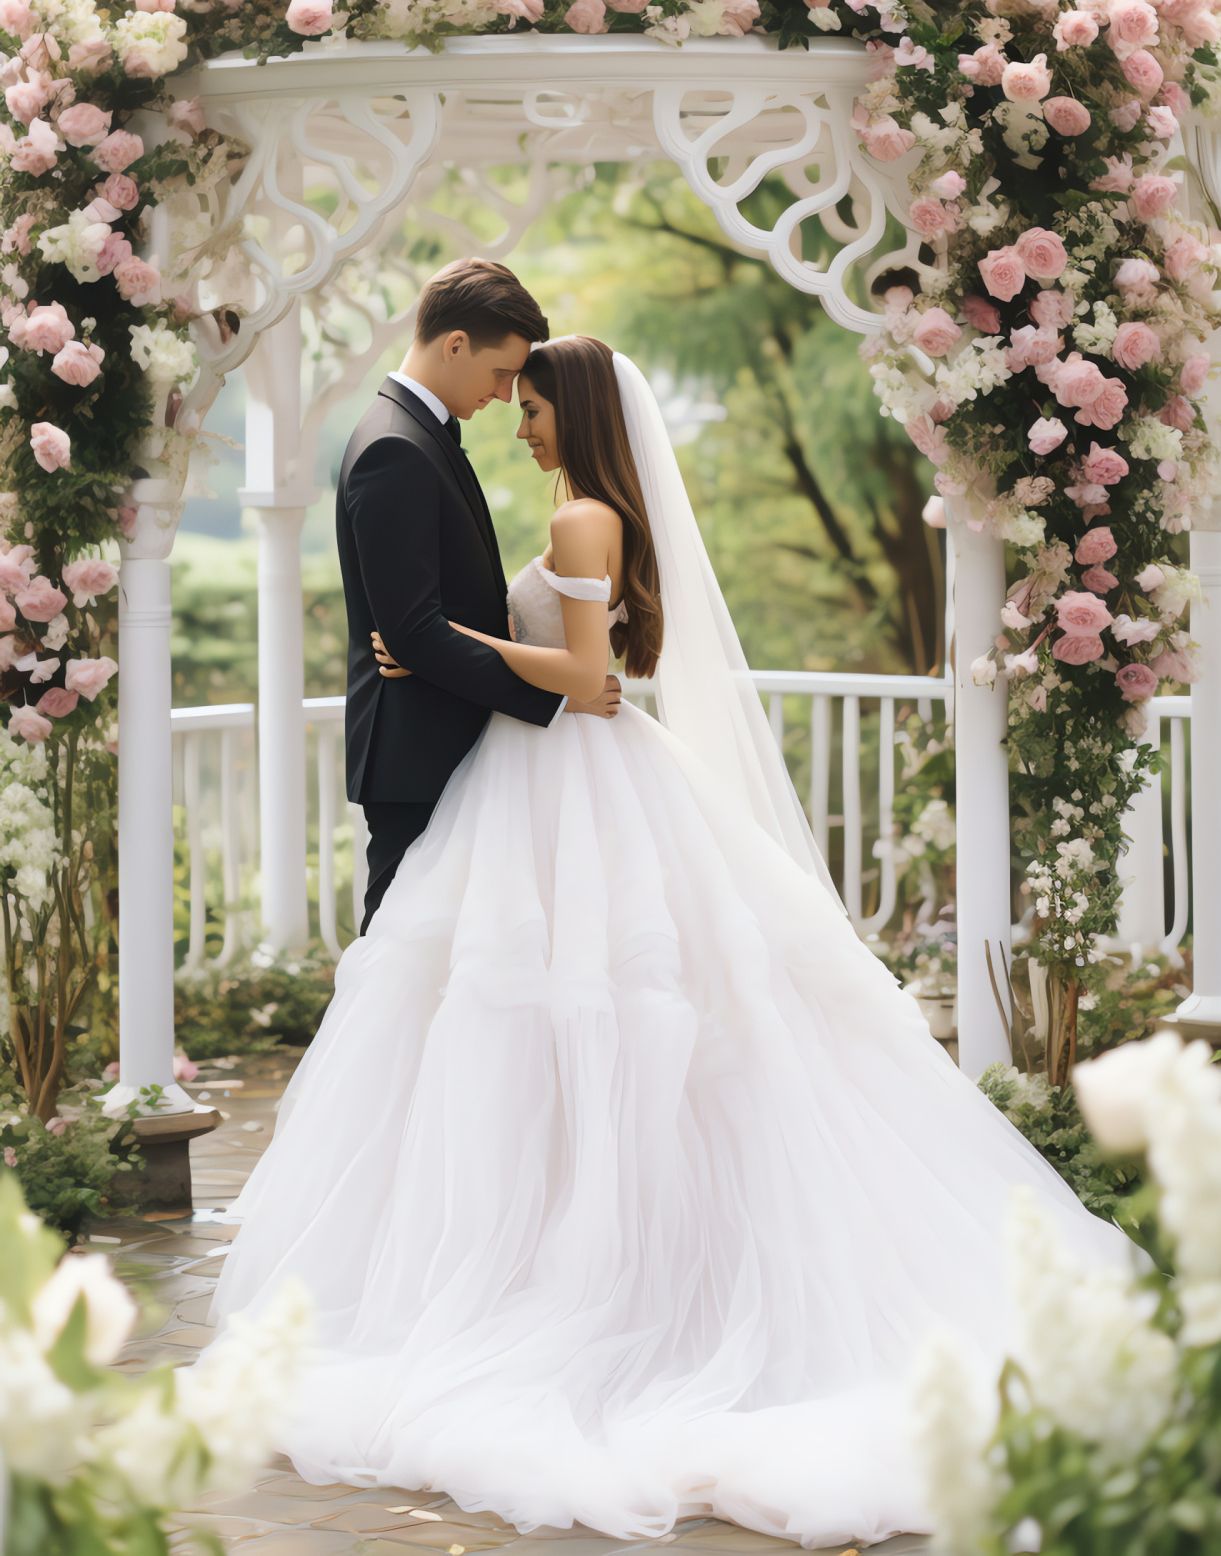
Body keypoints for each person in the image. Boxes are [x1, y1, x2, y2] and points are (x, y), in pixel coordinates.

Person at [212, 337, 1133, 1547]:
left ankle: (609, 1283)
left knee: (605, 1009)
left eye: (533, 407)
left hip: (572, 778)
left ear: (578, 414)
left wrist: (452, 645)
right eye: (515, 401)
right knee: (515, 1023)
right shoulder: (577, 507)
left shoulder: (587, 516)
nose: (520, 423)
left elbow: (591, 679)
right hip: (541, 781)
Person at [335, 259, 620, 935]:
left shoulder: (417, 435)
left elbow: (433, 625)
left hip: (459, 745)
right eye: (499, 374)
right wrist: (560, 694)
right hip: (420, 754)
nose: (502, 396)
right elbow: (413, 632)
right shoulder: (394, 448)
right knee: (401, 958)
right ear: (455, 343)